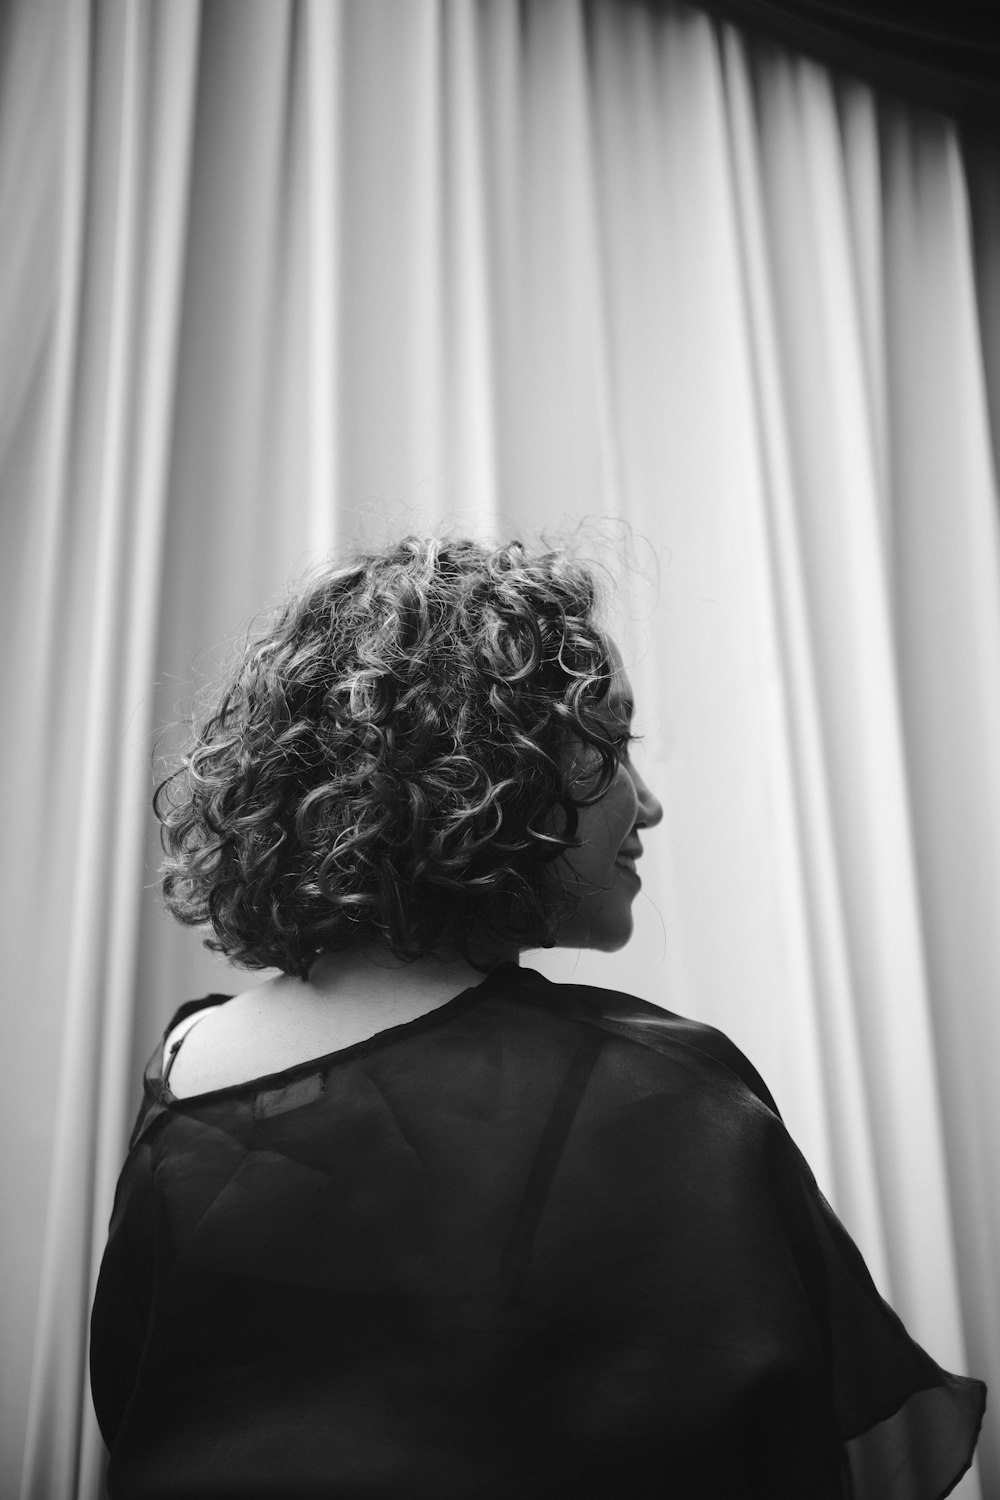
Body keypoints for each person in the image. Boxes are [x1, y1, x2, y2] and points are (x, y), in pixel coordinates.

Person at [91, 535, 985, 1498]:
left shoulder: (179, 1075)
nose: (647, 806)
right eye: (612, 744)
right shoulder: (661, 1095)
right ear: (483, 762)